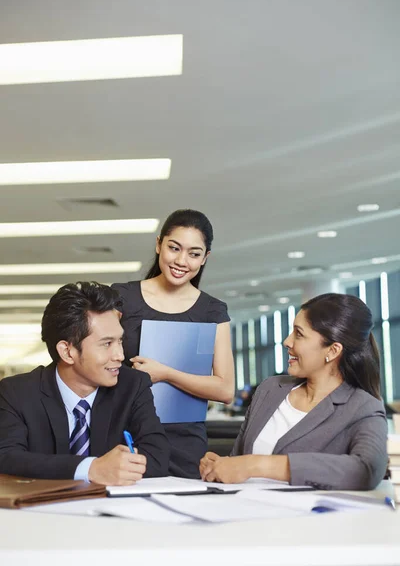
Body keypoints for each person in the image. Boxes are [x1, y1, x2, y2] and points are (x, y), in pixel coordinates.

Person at [200, 293, 388, 491]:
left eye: (299, 334)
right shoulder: (270, 389)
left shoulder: (363, 407)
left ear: (332, 351)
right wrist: (221, 466)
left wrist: (257, 465)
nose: (287, 341)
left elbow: (367, 470)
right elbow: (238, 459)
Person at [0, 282, 169, 484]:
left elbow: (158, 457)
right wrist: (91, 469)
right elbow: (6, 457)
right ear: (67, 352)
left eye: (120, 341)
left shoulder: (133, 385)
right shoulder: (16, 392)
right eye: (107, 344)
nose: (120, 355)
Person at [112, 209, 235, 478]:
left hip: (185, 441)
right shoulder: (122, 297)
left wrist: (165, 373)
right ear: (159, 245)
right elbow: (99, 359)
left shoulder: (212, 311)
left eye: (194, 253)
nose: (182, 260)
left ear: (205, 258)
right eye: (174, 248)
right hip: (125, 432)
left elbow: (225, 389)